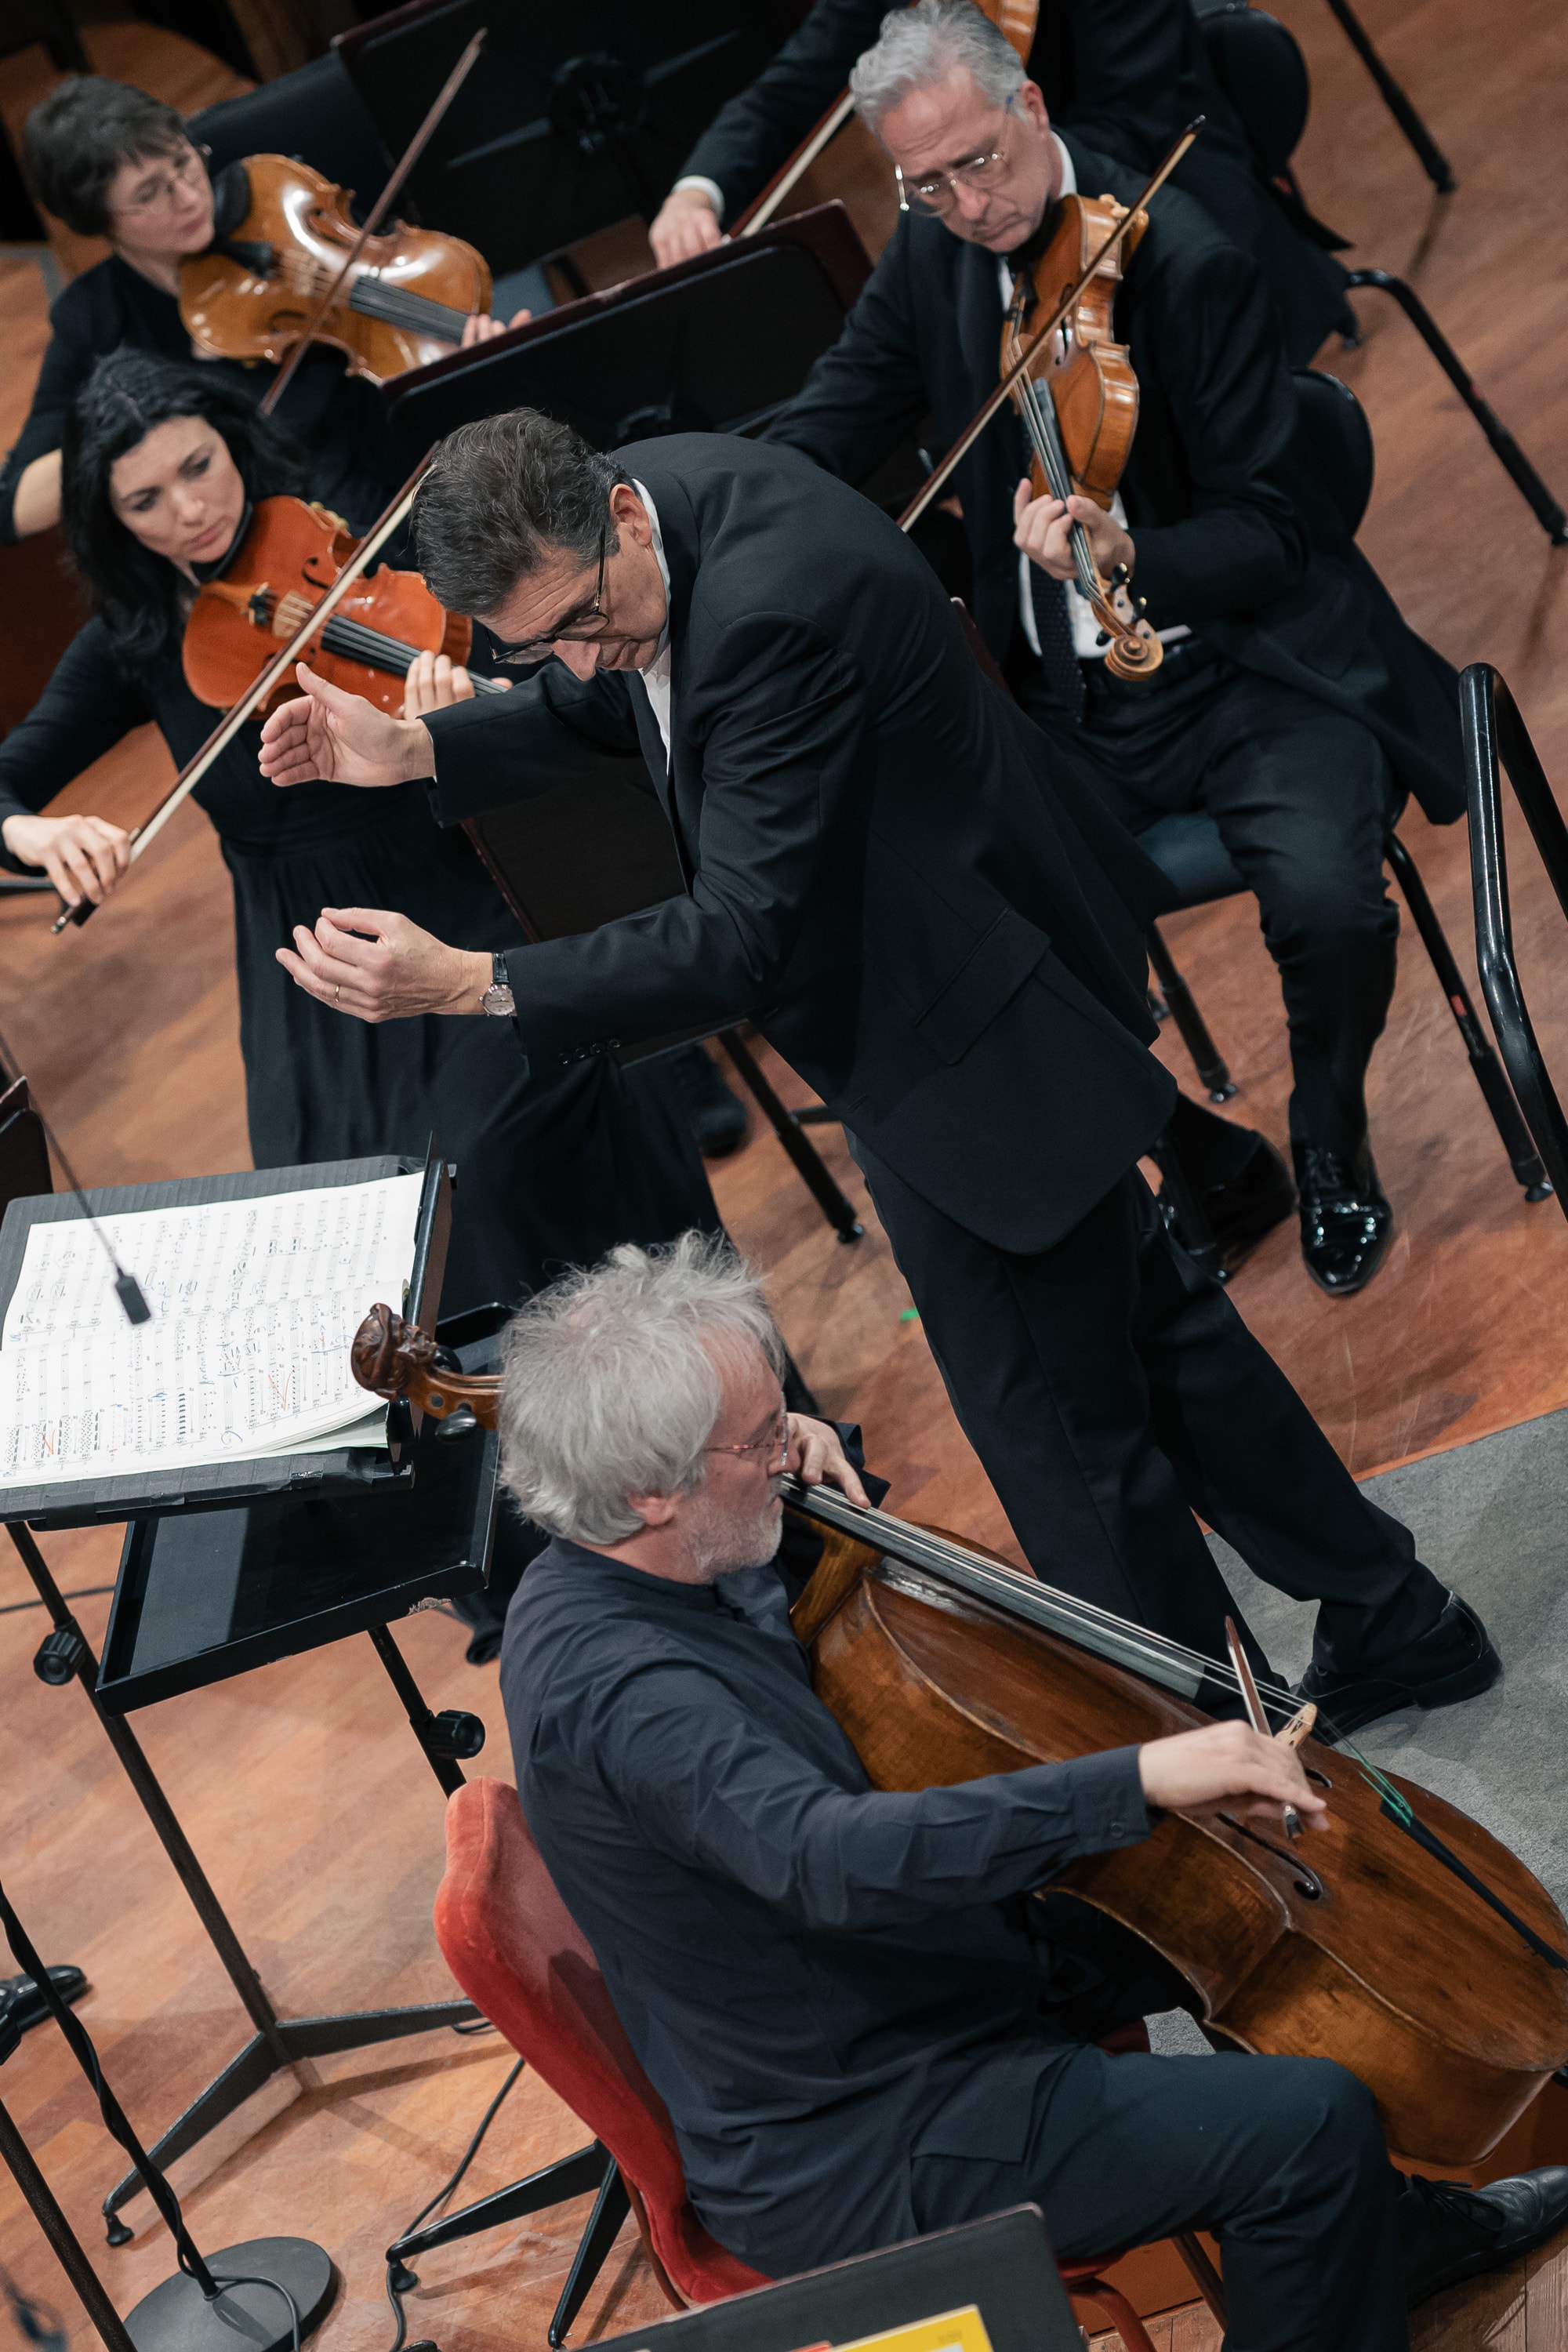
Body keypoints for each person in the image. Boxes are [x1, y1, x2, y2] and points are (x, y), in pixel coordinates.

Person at [255, 407, 1498, 1737]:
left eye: (578, 619)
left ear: (613, 518)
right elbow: (616, 687)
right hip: (974, 977)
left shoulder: (770, 609)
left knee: (1069, 1453)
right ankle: (1396, 1620)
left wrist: (473, 979)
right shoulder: (665, 505)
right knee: (1166, 1349)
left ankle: (1221, 1755)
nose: (576, 658)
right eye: (535, 645)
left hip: (960, 1041)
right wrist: (426, 745)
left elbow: (738, 935)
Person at [495, 1232, 1568, 2342]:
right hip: (869, 2123)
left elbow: (777, 1591)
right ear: (648, 1488)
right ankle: (1341, 2231)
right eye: (762, 1439)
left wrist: (805, 1457)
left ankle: (1388, 2248)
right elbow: (836, 1860)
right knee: (1306, 2131)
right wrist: (1142, 1774)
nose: (786, 1454)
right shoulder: (630, 1696)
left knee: (1222, 1917)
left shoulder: (640, 1556)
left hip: (909, 1985)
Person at [764, 0, 1465, 1297]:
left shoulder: (1184, 256)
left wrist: (1133, 550)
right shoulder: (933, 262)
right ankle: (1198, 1150)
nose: (969, 203)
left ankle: (1325, 1135)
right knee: (960, 933)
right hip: (1072, 707)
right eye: (927, 184)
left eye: (980, 159)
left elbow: (1279, 530)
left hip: (1255, 667)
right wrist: (711, 509)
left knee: (1326, 903)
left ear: (1030, 106)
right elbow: (830, 418)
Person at [0, 351, 723, 1326]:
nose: (189, 512)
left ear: (233, 443)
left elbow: (567, 695)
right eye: (145, 500)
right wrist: (35, 831)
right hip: (315, 961)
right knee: (351, 1218)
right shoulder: (134, 641)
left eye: (198, 467)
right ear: (110, 518)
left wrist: (464, 717)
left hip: (466, 891)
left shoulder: (336, 535)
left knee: (493, 1158)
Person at [647, 0, 1349, 367]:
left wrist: (986, 161)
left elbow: (1132, 117)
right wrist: (698, 190)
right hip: (1026, 224)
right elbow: (791, 84)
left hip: (1172, 216)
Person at [0, 76, 528, 546]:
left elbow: (384, 324)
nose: (188, 197)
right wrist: (142, 418)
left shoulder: (275, 201)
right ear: (100, 224)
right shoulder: (98, 318)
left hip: (399, 443)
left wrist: (462, 354)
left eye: (184, 163)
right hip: (307, 527)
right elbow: (15, 505)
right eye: (150, 195)